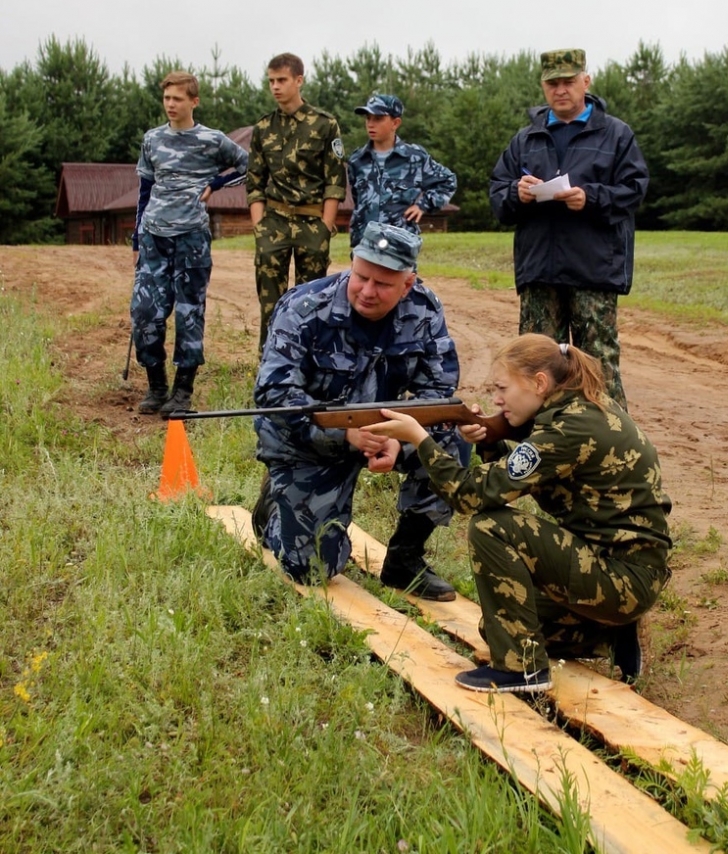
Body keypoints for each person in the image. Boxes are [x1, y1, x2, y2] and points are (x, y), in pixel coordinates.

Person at [364, 333, 672, 694]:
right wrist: (490, 439)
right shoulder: (578, 409)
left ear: (539, 383)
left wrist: (419, 438)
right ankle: (610, 633)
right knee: (499, 626)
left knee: (491, 527)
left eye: (503, 389)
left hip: (623, 578)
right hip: (620, 568)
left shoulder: (565, 429)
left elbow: (470, 496)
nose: (496, 400)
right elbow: (527, 478)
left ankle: (522, 671)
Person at [251, 221, 463, 601]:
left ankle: (405, 559)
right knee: (314, 568)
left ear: (407, 284)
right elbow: (274, 392)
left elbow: (438, 390)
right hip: (308, 440)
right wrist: (343, 435)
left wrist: (402, 438)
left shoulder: (425, 310)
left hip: (385, 432)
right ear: (351, 263)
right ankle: (275, 506)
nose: (367, 291)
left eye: (383, 284)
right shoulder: (304, 307)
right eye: (361, 276)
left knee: (453, 439)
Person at [489, 48, 648, 410]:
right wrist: (517, 192)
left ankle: (614, 446)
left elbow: (634, 189)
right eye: (553, 83)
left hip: (594, 269)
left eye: (569, 82)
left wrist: (589, 198)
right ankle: (541, 443)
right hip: (539, 271)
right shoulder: (526, 139)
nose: (561, 89)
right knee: (534, 365)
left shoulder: (616, 135)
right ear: (543, 87)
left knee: (597, 363)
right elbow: (497, 196)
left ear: (586, 82)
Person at [131, 70, 248, 417]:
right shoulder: (152, 140)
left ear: (193, 101)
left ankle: (182, 391)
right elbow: (145, 189)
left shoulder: (212, 140)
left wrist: (217, 182)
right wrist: (137, 238)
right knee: (144, 313)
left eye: (177, 98)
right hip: (154, 235)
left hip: (192, 238)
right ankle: (156, 385)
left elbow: (249, 165)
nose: (170, 104)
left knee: (188, 314)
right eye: (166, 98)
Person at [246, 52, 347, 351]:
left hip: (312, 222)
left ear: (299, 80)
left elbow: (335, 180)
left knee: (312, 300)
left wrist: (325, 226)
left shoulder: (325, 125)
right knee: (270, 302)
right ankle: (269, 360)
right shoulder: (263, 128)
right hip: (273, 222)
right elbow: (255, 181)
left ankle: (309, 360)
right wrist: (259, 225)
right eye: (271, 81)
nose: (275, 87)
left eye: (282, 80)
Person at [347, 93, 457, 249]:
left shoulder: (414, 158)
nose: (371, 124)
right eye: (368, 118)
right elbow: (357, 199)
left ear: (395, 123)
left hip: (399, 247)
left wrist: (423, 205)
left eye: (378, 119)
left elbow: (448, 181)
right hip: (364, 245)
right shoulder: (357, 160)